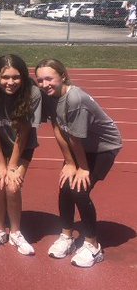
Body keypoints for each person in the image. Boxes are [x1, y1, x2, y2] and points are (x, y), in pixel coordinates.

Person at [35, 58, 123, 267]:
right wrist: (69, 163)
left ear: (63, 76)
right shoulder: (49, 96)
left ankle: (93, 246)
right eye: (40, 80)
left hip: (103, 148)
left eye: (49, 78)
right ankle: (67, 236)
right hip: (81, 147)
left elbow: (75, 138)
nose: (45, 84)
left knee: (79, 191)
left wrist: (82, 167)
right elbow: (57, 127)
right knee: (65, 187)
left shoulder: (74, 99)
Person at [0, 54, 41, 255]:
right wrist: (0, 164)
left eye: (16, 77)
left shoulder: (32, 94)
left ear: (23, 77)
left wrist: (12, 166)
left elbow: (24, 132)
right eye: (5, 77)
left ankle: (15, 231)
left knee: (12, 187)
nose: (10, 82)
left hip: (21, 146)